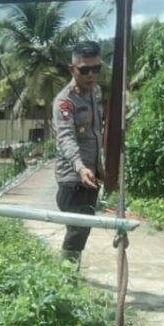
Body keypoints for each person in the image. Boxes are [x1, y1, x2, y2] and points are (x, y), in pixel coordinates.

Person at [52, 41, 106, 267]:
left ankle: (69, 274)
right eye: (85, 70)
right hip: (73, 177)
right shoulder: (65, 101)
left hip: (90, 174)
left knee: (82, 229)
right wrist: (80, 166)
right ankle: (66, 280)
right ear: (72, 69)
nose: (91, 74)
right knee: (77, 229)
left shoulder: (95, 92)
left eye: (96, 68)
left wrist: (99, 168)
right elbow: (66, 137)